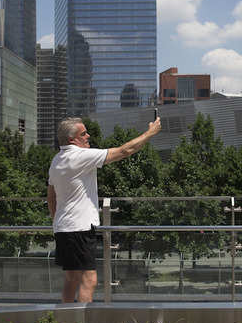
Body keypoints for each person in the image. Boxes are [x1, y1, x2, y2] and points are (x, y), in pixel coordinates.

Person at [47, 116, 162, 303]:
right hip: (80, 228)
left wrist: (57, 221)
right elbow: (125, 151)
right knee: (89, 279)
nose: (88, 136)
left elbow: (51, 197)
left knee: (71, 279)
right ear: (72, 139)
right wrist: (150, 133)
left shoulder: (57, 160)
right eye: (83, 133)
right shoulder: (81, 156)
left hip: (63, 228)